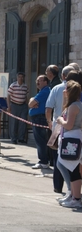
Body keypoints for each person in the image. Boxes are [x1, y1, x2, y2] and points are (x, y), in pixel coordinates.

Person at [46, 66, 74, 194]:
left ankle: (62, 187)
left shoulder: (57, 88)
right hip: (69, 128)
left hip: (62, 128)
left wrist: (51, 123)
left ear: (63, 76)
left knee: (60, 159)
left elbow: (49, 108)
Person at [55, 80, 82, 208]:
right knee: (72, 168)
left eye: (66, 89)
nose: (64, 91)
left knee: (74, 170)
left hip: (72, 139)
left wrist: (60, 121)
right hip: (75, 138)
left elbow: (69, 125)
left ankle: (76, 198)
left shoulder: (74, 107)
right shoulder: (77, 105)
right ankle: (73, 196)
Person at [28, 75, 51, 169]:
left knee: (40, 140)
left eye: (40, 81)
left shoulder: (45, 91)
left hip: (40, 118)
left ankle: (43, 161)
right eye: (37, 80)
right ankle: (44, 160)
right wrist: (32, 100)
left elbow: (31, 103)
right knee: (40, 140)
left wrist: (32, 101)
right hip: (37, 118)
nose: (37, 83)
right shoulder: (41, 91)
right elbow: (31, 101)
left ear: (46, 82)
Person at [6, 72, 29, 144]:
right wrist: (9, 106)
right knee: (14, 122)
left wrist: (27, 105)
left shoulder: (25, 86)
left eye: (22, 77)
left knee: (22, 122)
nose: (21, 78)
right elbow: (8, 96)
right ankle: (13, 138)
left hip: (23, 106)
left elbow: (26, 96)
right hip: (14, 105)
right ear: (17, 78)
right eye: (19, 77)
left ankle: (21, 138)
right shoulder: (13, 85)